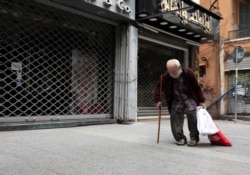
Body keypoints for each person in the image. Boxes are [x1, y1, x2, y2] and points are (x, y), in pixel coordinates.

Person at [154, 59, 205, 146]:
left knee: (192, 113)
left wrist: (201, 101)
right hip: (177, 99)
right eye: (170, 71)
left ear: (179, 67)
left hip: (189, 98)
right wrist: (158, 100)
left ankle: (194, 137)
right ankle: (180, 138)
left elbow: (197, 87)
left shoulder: (188, 73)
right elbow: (158, 87)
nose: (172, 73)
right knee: (174, 115)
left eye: (174, 71)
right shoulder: (165, 76)